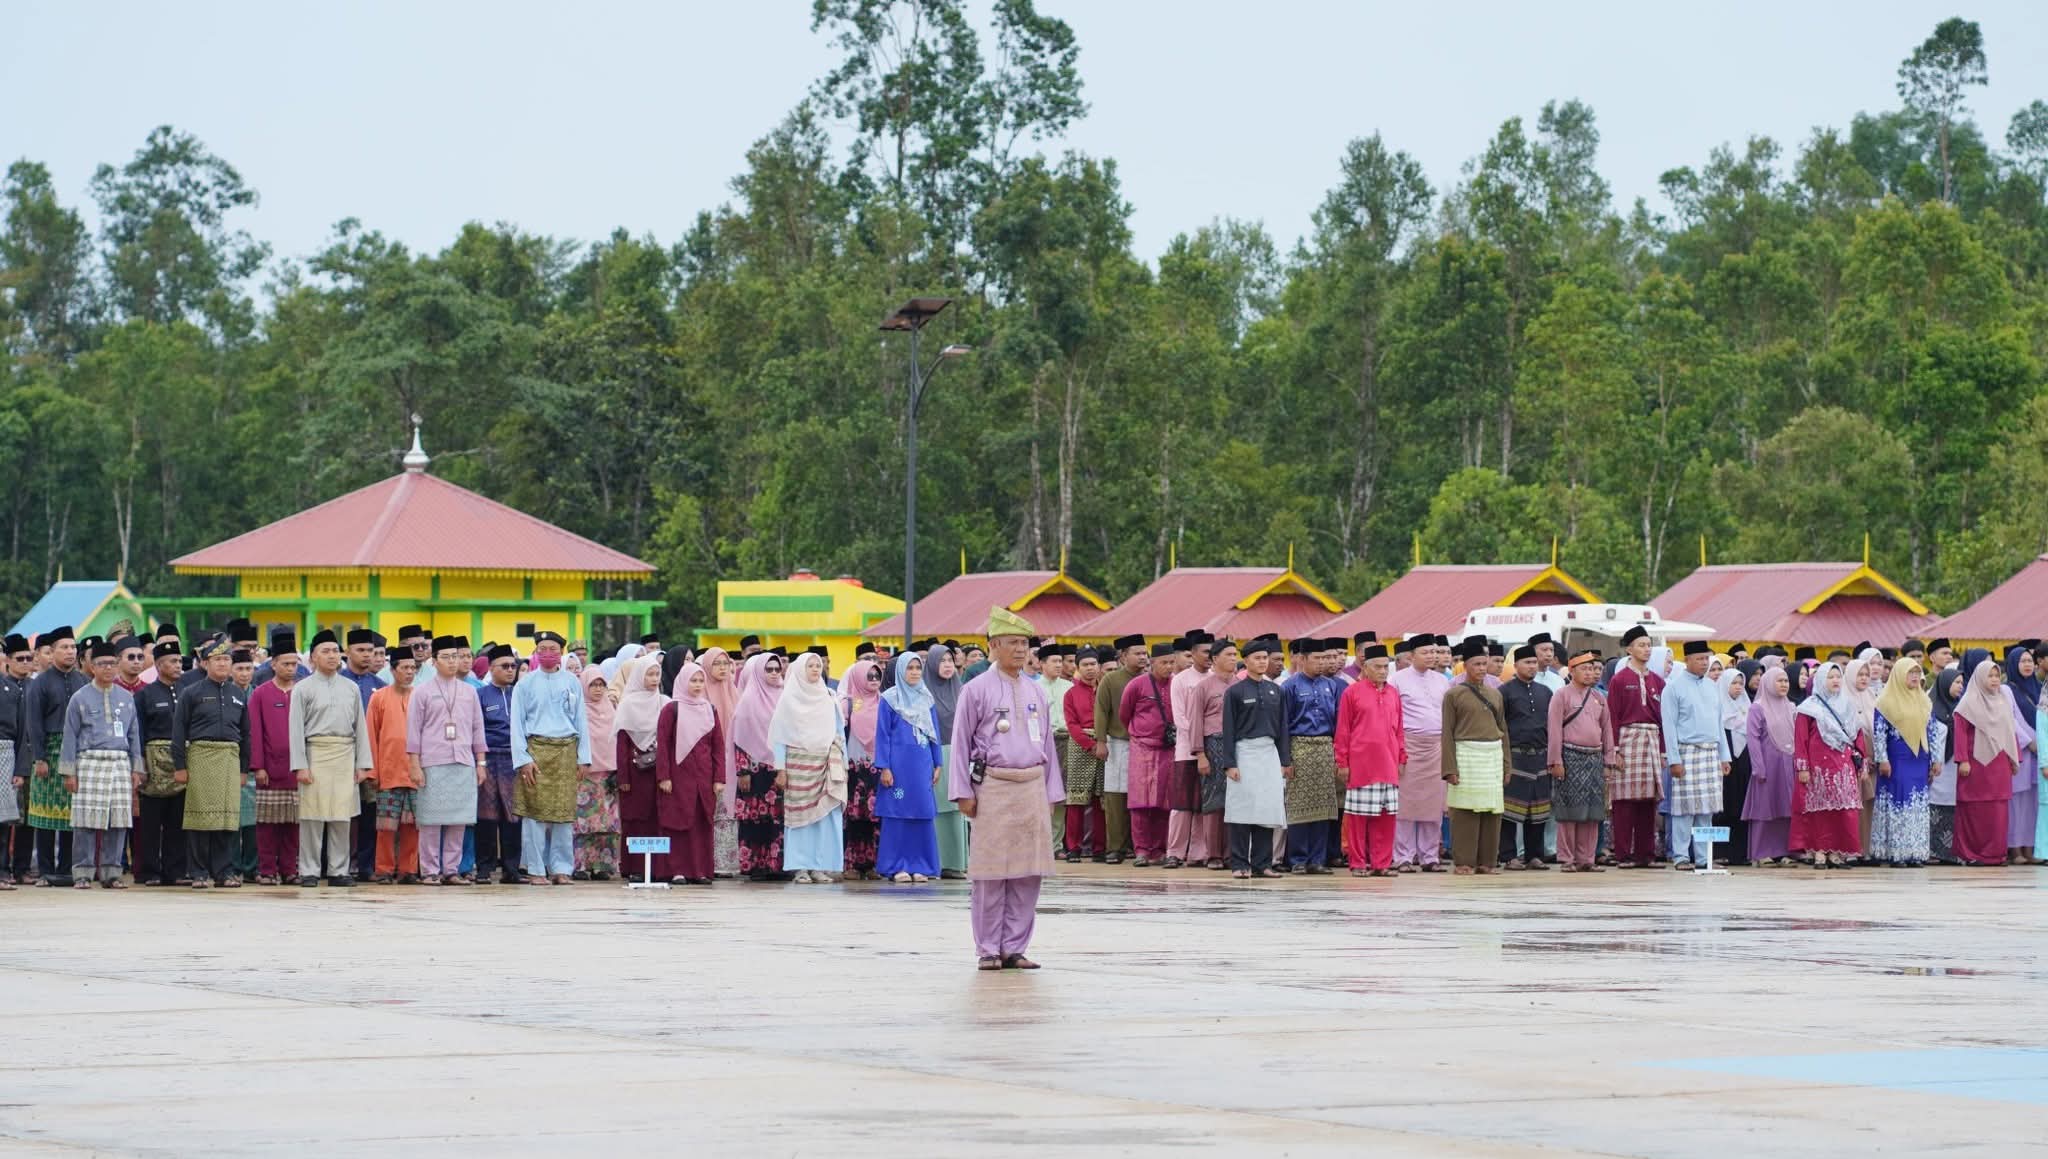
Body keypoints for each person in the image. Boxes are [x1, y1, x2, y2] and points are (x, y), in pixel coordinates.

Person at [949, 607, 1062, 970]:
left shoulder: (1035, 691)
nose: (1019, 649)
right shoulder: (975, 690)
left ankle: (1014, 947)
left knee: (1029, 871)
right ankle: (987, 948)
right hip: (994, 786)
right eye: (1011, 642)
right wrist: (962, 791)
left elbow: (1046, 746)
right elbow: (961, 744)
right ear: (994, 645)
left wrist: (1051, 793)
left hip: (1031, 786)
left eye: (1024, 643)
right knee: (991, 872)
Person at [288, 630, 376, 887]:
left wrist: (362, 764)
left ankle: (339, 871)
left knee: (342, 816)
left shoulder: (350, 687)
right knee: (312, 817)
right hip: (315, 753)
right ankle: (309, 871)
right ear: (313, 657)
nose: (331, 656)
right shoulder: (302, 689)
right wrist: (300, 765)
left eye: (335, 651)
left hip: (345, 754)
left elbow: (360, 726)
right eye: (325, 651)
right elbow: (295, 730)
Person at [59, 640, 145, 888]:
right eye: (101, 664)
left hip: (119, 762)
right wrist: (69, 772)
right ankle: (83, 874)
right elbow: (70, 735)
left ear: (117, 665)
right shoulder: (79, 698)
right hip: (89, 762)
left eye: (111, 663)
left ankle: (111, 873)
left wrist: (136, 769)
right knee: (85, 821)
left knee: (117, 821)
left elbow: (134, 735)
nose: (108, 668)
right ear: (92, 667)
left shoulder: (127, 698)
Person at [406, 636, 488, 885]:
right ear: (434, 661)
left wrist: (481, 763)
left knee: (458, 819)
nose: (453, 662)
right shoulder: (421, 692)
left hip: (463, 761)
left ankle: (451, 870)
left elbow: (477, 728)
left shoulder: (469, 692)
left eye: (456, 656)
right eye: (447, 657)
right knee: (431, 820)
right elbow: (413, 731)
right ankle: (430, 870)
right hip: (432, 761)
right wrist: (414, 764)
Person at [512, 631, 591, 885]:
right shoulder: (525, 683)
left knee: (563, 813)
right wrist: (523, 759)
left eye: (553, 648)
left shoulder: (572, 682)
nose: (547, 653)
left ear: (561, 652)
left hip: (567, 750)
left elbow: (581, 721)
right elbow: (516, 723)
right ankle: (535, 869)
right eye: (542, 648)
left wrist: (583, 757)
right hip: (536, 750)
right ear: (536, 651)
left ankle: (561, 868)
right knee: (533, 815)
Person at [641, 660, 722, 884]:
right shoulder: (671, 709)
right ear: (683, 682)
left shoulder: (709, 709)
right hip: (677, 777)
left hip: (703, 778)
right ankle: (676, 870)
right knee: (676, 822)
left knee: (700, 823)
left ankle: (700, 870)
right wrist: (664, 776)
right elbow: (664, 746)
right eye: (693, 681)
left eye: (700, 681)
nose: (697, 685)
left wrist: (719, 778)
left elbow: (717, 746)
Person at [772, 652, 848, 884]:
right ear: (799, 670)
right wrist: (780, 768)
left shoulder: (829, 697)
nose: (816, 669)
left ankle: (820, 866)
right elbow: (779, 737)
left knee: (824, 815)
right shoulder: (788, 700)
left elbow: (839, 733)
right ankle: (800, 867)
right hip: (798, 766)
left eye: (818, 665)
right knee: (800, 816)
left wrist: (843, 764)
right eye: (811, 666)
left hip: (825, 763)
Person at [1218, 638, 1290, 878]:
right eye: (1257, 658)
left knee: (1266, 810)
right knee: (1241, 809)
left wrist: (1284, 761)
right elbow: (1227, 729)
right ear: (1246, 661)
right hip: (1244, 753)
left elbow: (1283, 728)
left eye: (1265, 658)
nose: (1262, 662)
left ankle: (1263, 864)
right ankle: (1239, 864)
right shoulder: (1235, 692)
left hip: (1268, 754)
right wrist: (1230, 763)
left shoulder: (1276, 691)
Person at [1437, 639, 1507, 875]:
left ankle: (1487, 862)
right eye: (1476, 664)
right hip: (1466, 756)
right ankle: (1464, 862)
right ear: (1465, 665)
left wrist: (1507, 765)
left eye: (1484, 664)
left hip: (1492, 757)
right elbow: (1447, 732)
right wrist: (1449, 768)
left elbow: (1503, 730)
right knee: (1464, 811)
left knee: (1492, 811)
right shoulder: (1453, 695)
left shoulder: (1495, 694)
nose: (1481, 668)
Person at [1661, 640, 1732, 871]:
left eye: (1707, 659)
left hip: (1711, 752)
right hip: (1686, 752)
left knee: (1706, 809)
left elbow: (1718, 723)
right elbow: (1669, 727)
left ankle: (1704, 858)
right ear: (1688, 660)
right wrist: (1674, 760)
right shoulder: (1673, 688)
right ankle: (1681, 857)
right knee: (1684, 809)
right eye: (1700, 659)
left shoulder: (1712, 687)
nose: (1704, 663)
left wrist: (1724, 756)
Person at [874, 650, 944, 882]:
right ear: (901, 671)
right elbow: (882, 735)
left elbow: (934, 733)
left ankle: (921, 865)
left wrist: (938, 763)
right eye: (909, 668)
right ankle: (896, 867)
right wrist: (884, 766)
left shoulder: (927, 698)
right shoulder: (890, 699)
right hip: (897, 766)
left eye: (917, 668)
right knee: (897, 814)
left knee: (922, 814)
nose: (914, 673)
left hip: (922, 766)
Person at [1334, 642, 1403, 877]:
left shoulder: (1393, 693)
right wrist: (1342, 762)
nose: (1384, 671)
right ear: (1366, 666)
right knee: (1358, 817)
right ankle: (1358, 863)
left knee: (1386, 816)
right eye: (1379, 667)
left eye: (1386, 667)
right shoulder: (1351, 692)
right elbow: (1343, 730)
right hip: (1361, 764)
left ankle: (1381, 863)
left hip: (1388, 763)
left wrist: (1401, 756)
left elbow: (1399, 729)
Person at [25, 625, 85, 885]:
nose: (70, 652)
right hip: (49, 749)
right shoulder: (41, 682)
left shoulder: (83, 680)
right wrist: (39, 757)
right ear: (53, 652)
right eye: (65, 647)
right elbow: (34, 722)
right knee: (45, 813)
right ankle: (47, 871)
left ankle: (67, 870)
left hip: (77, 752)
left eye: (73, 647)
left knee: (72, 813)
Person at [1793, 662, 1867, 869]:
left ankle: (1836, 852)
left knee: (1842, 811)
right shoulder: (1809, 708)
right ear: (1820, 680)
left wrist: (1862, 762)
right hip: (1819, 767)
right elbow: (1801, 740)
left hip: (1843, 766)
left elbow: (1857, 736)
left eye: (1838, 676)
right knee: (1820, 811)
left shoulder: (1848, 706)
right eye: (1830, 677)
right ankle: (1819, 852)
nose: (1835, 681)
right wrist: (1803, 767)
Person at [1546, 651, 1614, 872]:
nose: (1589, 673)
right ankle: (1567, 859)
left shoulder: (1599, 697)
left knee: (1593, 812)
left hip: (1594, 757)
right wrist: (1556, 760)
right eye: (1584, 668)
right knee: (1569, 811)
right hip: (1569, 756)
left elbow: (1607, 730)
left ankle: (1587, 859)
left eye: (1592, 668)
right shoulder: (1561, 695)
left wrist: (1608, 761)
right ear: (1572, 670)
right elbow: (1554, 730)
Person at [1280, 638, 1343, 873]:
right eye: (1316, 658)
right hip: (1300, 748)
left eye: (1324, 658)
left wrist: (1338, 755)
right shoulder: (1290, 686)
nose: (1321, 663)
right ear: (1302, 659)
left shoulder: (1331, 685)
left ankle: (1318, 859)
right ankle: (1298, 859)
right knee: (1299, 805)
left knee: (1325, 806)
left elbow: (1337, 722)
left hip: (1325, 748)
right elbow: (1284, 725)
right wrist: (1286, 760)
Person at [1388, 634, 1450, 872]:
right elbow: (1392, 718)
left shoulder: (1443, 680)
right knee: (1406, 806)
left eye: (1435, 652)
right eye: (1426, 652)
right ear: (1411, 656)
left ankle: (1429, 857)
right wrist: (1397, 750)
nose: (1432, 656)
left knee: (1433, 806)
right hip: (1409, 746)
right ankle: (1403, 857)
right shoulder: (1397, 680)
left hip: (1436, 746)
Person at [1606, 626, 1665, 868]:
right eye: (1641, 645)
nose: (1647, 649)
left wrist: (1662, 751)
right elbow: (1612, 716)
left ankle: (1646, 854)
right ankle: (1623, 854)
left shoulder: (1658, 681)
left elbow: (1663, 719)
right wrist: (1615, 750)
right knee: (1624, 801)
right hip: (1627, 740)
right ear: (1629, 649)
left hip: (1651, 740)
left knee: (1648, 801)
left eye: (1649, 644)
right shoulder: (1619, 680)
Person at [1951, 656, 2016, 867]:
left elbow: (2010, 733)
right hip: (1975, 766)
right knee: (1975, 810)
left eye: (1997, 675)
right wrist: (1962, 760)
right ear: (1979, 677)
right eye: (1990, 675)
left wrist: (2014, 759)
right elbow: (1960, 734)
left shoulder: (2003, 702)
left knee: (1998, 812)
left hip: (1999, 766)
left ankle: (1996, 854)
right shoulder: (1967, 703)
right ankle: (1974, 853)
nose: (1995, 679)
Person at [1871, 657, 1936, 867]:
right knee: (1899, 802)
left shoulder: (1924, 701)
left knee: (1917, 805)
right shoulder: (1885, 702)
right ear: (1899, 675)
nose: (1915, 677)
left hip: (1920, 759)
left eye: (1918, 672)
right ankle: (1897, 853)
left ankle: (1915, 853)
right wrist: (1882, 759)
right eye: (1911, 672)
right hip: (1896, 760)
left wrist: (1935, 759)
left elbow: (1932, 732)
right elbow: (1879, 734)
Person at [365, 647, 423, 883]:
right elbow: (371, 734)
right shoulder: (378, 697)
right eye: (405, 668)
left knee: (413, 825)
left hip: (415, 771)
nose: (410, 672)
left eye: (413, 668)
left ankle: (408, 870)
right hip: (388, 771)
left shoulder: (420, 696)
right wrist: (372, 771)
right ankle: (384, 869)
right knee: (386, 826)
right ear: (393, 669)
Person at [134, 641, 189, 886]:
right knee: (151, 822)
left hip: (181, 760)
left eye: (179, 661)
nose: (178, 666)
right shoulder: (145, 694)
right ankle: (148, 871)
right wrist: (141, 764)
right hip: (153, 762)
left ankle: (174, 871)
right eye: (173, 661)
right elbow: (138, 731)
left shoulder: (187, 692)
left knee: (177, 820)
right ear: (158, 665)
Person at [1118, 642, 1177, 867]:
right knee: (1140, 803)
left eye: (1172, 662)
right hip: (1142, 749)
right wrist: (1141, 733)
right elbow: (1125, 714)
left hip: (1168, 750)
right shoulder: (1137, 685)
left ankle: (1160, 850)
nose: (1169, 667)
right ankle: (1141, 851)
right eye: (1164, 662)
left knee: (1164, 802)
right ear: (1152, 663)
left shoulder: (1176, 684)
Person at [1498, 644, 1553, 869]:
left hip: (1540, 757)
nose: (1532, 666)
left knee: (1538, 810)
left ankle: (1534, 856)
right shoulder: (1505, 691)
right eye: (1527, 663)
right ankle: (1509, 856)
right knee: (1510, 811)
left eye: (1534, 663)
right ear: (1516, 665)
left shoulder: (1545, 692)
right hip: (1515, 756)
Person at [1168, 631, 1219, 869]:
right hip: (1186, 750)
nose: (1210, 656)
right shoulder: (1180, 679)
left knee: (1203, 804)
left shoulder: (1214, 679)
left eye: (1212, 651)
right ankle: (1175, 852)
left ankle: (1198, 853)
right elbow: (1180, 718)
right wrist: (1198, 742)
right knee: (1182, 804)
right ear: (1194, 653)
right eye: (1205, 652)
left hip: (1210, 751)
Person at [1094, 634, 1146, 864]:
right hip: (1117, 744)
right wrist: (1101, 741)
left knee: (1142, 798)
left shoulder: (1150, 679)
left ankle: (1139, 846)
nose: (1143, 657)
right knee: (1115, 798)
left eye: (1145, 653)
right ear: (1124, 656)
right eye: (1138, 653)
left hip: (1145, 746)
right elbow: (1101, 711)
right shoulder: (1111, 680)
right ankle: (1115, 848)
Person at [1741, 667, 1798, 866]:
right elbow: (1753, 739)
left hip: (1788, 763)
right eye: (1779, 681)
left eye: (1786, 681)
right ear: (1768, 683)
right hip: (1767, 765)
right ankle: (1761, 852)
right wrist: (1759, 767)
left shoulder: (1790, 707)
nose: (1784, 684)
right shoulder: (1758, 707)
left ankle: (1783, 851)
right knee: (1765, 809)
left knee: (1785, 808)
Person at [925, 644, 972, 878]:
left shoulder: (960, 690)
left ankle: (956, 863)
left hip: (958, 753)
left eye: (950, 661)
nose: (947, 666)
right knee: (937, 808)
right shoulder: (923, 692)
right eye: (942, 661)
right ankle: (937, 862)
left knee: (956, 809)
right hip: (933, 754)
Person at [574, 665, 622, 881]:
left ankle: (602, 865)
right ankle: (581, 865)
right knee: (584, 823)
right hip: (585, 774)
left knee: (606, 823)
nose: (597, 689)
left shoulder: (611, 708)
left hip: (608, 775)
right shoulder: (578, 709)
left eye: (601, 685)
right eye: (593, 684)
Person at [1059, 646, 1107, 862]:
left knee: (1101, 800)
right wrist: (1090, 745)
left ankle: (1099, 848)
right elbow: (1072, 725)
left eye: (1093, 665)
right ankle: (1074, 848)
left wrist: (1102, 743)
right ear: (1077, 668)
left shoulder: (1105, 690)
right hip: (1080, 747)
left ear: (1098, 667)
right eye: (1085, 665)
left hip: (1105, 744)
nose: (1090, 669)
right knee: (1076, 800)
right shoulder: (1070, 693)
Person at [838, 658, 883, 880]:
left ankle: (874, 864)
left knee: (876, 817)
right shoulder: (849, 702)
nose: (874, 680)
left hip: (877, 767)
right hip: (854, 768)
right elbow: (842, 730)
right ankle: (853, 864)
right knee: (855, 817)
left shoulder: (884, 702)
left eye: (877, 676)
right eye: (869, 676)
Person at [2001, 644, 2041, 865]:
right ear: (2014, 664)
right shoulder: (2007, 689)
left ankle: (2030, 848)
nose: (2027, 665)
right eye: (2022, 661)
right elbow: (2010, 719)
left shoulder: (2038, 687)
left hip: (2040, 752)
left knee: (2033, 801)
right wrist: (2030, 741)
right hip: (2021, 752)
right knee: (2016, 801)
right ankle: (2014, 849)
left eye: (2029, 661)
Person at [0, 633, 31, 885]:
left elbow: (22, 733)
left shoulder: (11, 690)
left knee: (3, 818)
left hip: (5, 754)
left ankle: (2, 870)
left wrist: (19, 768)